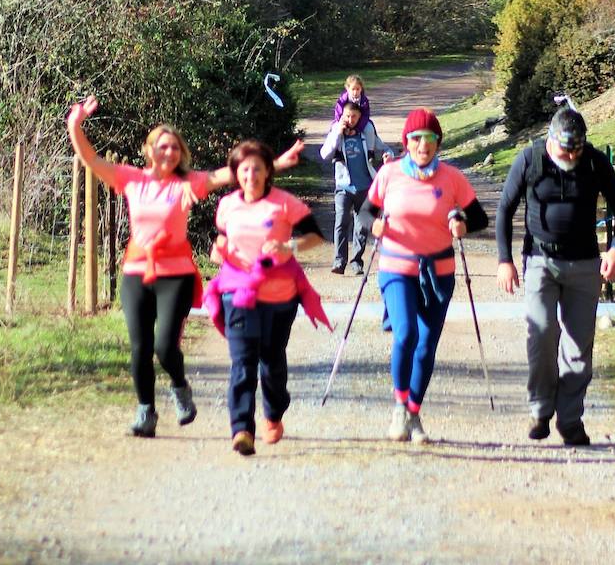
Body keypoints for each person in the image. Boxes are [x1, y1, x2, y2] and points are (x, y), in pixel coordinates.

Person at [66, 96, 303, 438]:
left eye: (175, 147)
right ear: (150, 151)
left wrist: (277, 163)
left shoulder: (187, 183)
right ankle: (145, 410)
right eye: (164, 146)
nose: (170, 152)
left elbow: (234, 175)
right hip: (136, 270)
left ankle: (179, 386)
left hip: (175, 272)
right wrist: (76, 124)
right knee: (139, 348)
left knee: (165, 346)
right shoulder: (131, 179)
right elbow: (89, 158)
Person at [495, 104, 615, 446]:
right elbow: (504, 209)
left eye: (576, 149)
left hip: (585, 265)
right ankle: (541, 408)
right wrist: (504, 259)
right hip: (540, 261)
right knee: (541, 334)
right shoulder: (530, 159)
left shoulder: (595, 162)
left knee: (578, 347)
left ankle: (570, 421)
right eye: (564, 148)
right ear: (551, 140)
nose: (570, 154)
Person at [361, 108, 488, 444]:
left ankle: (414, 412)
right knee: (405, 334)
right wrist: (374, 225)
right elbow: (365, 211)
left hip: (439, 273)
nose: (422, 145)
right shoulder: (389, 174)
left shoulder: (452, 178)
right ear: (406, 142)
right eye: (416, 139)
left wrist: (461, 223)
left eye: (429, 139)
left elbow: (479, 218)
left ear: (437, 143)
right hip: (396, 268)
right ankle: (400, 407)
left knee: (427, 346)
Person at [209, 139, 326, 456]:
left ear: (268, 172)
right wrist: (218, 251)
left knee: (271, 361)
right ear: (236, 173)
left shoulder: (284, 203)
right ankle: (242, 429)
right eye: (244, 170)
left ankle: (274, 411)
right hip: (238, 292)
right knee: (242, 361)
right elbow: (219, 242)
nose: (251, 175)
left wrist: (290, 248)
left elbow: (315, 236)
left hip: (279, 295)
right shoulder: (227, 206)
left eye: (257, 169)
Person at [320, 101, 393, 275]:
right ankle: (339, 261)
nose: (350, 120)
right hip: (343, 187)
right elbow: (324, 154)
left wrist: (388, 154)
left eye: (354, 116)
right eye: (347, 116)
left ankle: (356, 261)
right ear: (342, 116)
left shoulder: (366, 133)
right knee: (341, 222)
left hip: (365, 187)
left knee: (361, 226)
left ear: (359, 117)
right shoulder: (336, 132)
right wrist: (337, 133)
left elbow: (384, 147)